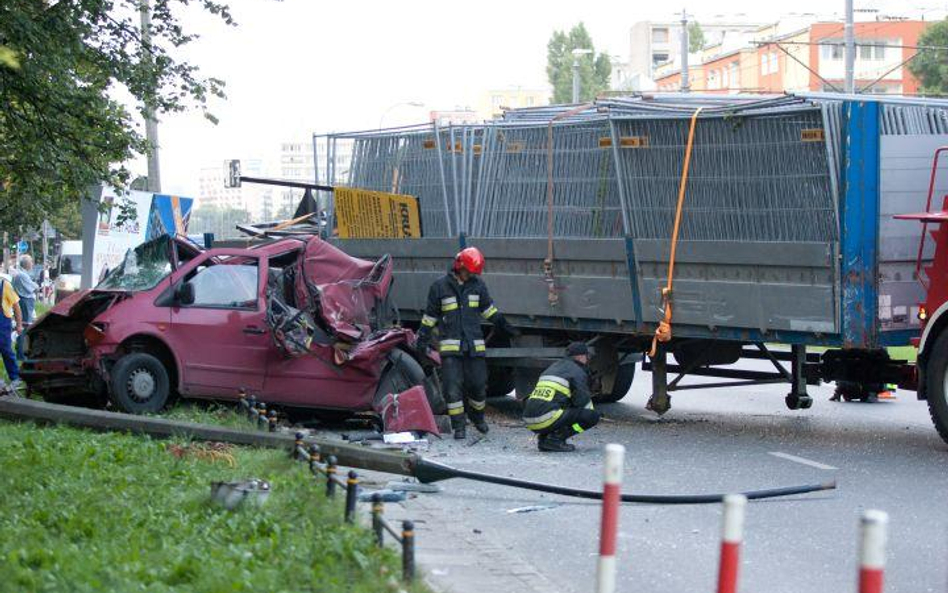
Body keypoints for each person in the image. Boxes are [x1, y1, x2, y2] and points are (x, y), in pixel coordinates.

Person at [416, 246, 517, 440]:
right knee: (452, 389)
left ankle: (477, 417)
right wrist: (423, 337)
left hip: (474, 347)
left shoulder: (477, 285)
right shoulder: (439, 287)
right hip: (451, 350)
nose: (469, 275)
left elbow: (488, 310)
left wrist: (503, 324)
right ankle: (459, 426)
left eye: (473, 273)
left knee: (478, 386)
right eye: (467, 272)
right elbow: (430, 316)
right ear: (458, 266)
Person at [523, 342, 601, 452]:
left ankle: (545, 438)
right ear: (580, 356)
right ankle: (555, 439)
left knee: (559, 407)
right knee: (591, 416)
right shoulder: (577, 371)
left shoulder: (553, 367)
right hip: (546, 419)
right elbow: (581, 401)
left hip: (529, 419)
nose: (587, 359)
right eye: (586, 356)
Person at [12, 255, 39, 359]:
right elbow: (33, 287)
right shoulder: (23, 275)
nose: (32, 264)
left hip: (24, 302)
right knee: (24, 327)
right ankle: (21, 354)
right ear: (27, 263)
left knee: (23, 326)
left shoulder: (21, 274)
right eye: (31, 262)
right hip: (25, 302)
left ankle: (20, 351)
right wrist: (36, 286)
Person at [0, 275, 23, 391]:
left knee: (6, 350)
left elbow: (16, 306)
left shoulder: (4, 285)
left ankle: (15, 377)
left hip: (3, 323)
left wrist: (19, 325)